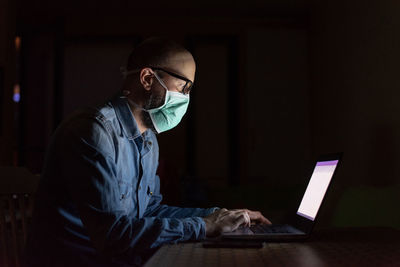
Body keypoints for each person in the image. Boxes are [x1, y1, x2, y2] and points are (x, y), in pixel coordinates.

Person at [24, 37, 271, 267]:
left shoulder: (148, 139)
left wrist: (219, 215)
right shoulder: (93, 133)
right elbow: (113, 236)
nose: (186, 98)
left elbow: (149, 212)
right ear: (147, 79)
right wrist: (204, 226)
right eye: (183, 88)